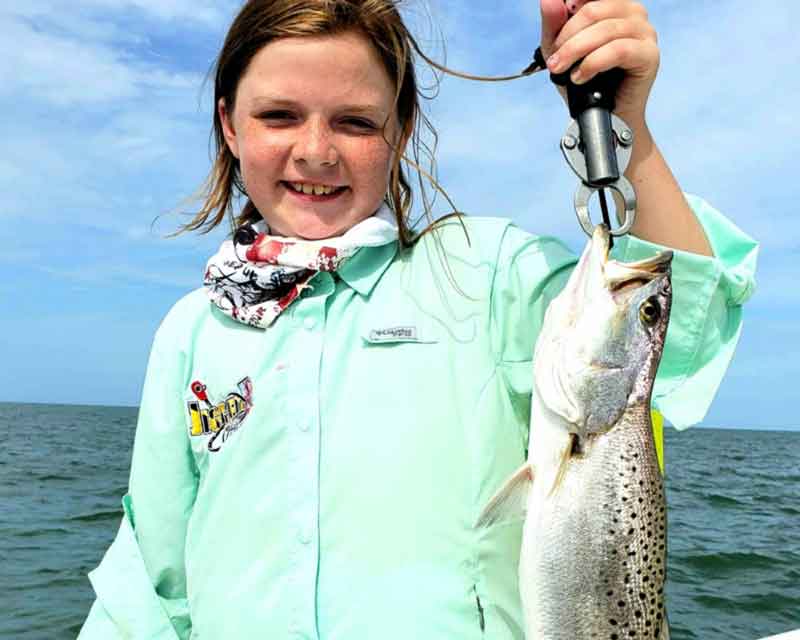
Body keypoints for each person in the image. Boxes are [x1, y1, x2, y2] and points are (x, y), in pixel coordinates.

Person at [78, 0, 758, 638]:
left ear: (400, 131)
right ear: (230, 124)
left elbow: (676, 337)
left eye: (356, 121)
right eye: (279, 116)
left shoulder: (488, 273)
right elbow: (150, 580)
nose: (316, 151)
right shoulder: (192, 333)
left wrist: (624, 125)